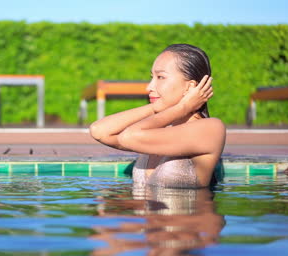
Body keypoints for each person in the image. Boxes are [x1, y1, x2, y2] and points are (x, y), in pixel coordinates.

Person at [89, 44, 226, 188]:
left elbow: (128, 137)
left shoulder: (211, 128)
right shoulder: (159, 129)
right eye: (152, 77)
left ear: (190, 87)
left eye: (160, 77)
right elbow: (99, 130)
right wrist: (155, 108)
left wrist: (183, 107)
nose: (149, 87)